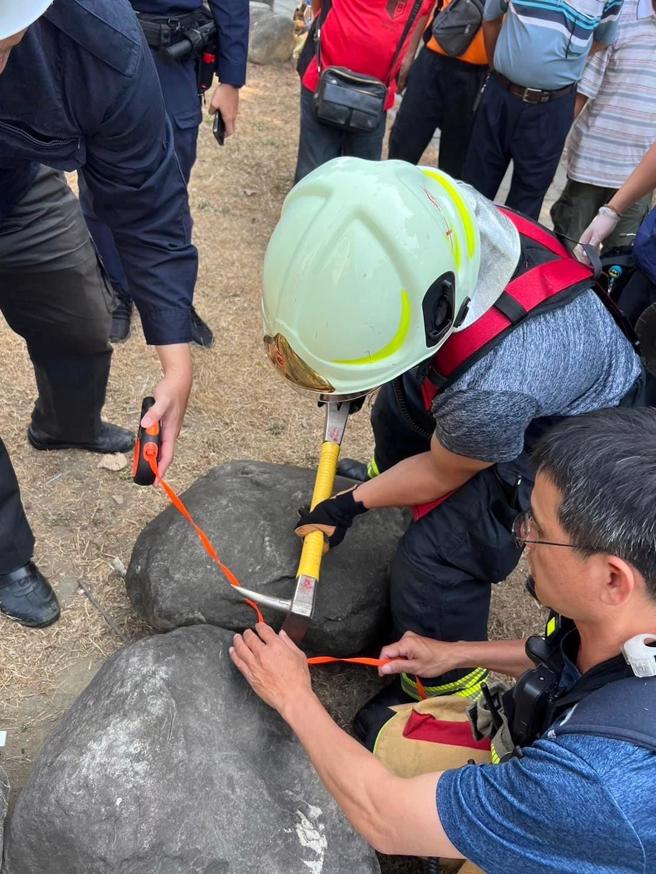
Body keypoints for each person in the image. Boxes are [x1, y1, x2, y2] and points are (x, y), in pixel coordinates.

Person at [261, 157, 643, 710]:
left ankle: (443, 688)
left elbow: (446, 468)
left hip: (578, 433)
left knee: (438, 554)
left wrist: (350, 504)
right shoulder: (440, 216)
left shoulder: (493, 389)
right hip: (519, 370)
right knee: (399, 407)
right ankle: (398, 479)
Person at [230, 407, 656, 873]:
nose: (522, 537)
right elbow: (560, 655)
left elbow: (384, 816)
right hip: (569, 793)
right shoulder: (623, 617)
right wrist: (452, 653)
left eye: (539, 530)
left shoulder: (593, 783)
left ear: (614, 580)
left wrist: (293, 697)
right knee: (396, 741)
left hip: (586, 818)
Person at [0, 0, 197, 627]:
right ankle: (4, 552)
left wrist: (176, 358)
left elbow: (147, 199)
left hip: (17, 182)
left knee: (82, 320)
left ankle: (66, 423)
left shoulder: (101, 44)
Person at [81, 0, 249, 345]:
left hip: (172, 56)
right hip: (102, 52)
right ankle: (117, 288)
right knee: (98, 183)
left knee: (171, 188)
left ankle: (172, 301)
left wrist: (231, 81)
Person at [460, 0, 622, 220]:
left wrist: (560, 68)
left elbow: (601, 39)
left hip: (552, 110)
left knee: (525, 209)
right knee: (472, 191)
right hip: (500, 97)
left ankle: (511, 254)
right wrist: (500, 68)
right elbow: (491, 19)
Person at [550, 0, 656, 252]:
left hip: (639, 176)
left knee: (618, 262)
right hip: (592, 164)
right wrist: (549, 149)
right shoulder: (621, 15)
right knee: (565, 250)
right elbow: (583, 91)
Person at [293, 0, 433, 182]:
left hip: (373, 98)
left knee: (360, 183)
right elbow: (318, 6)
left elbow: (424, 11)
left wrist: (409, 52)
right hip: (324, 80)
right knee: (312, 179)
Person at [387, 2, 488, 178]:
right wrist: (409, 54)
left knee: (455, 168)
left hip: (476, 75)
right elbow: (423, 7)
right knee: (402, 153)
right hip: (432, 62)